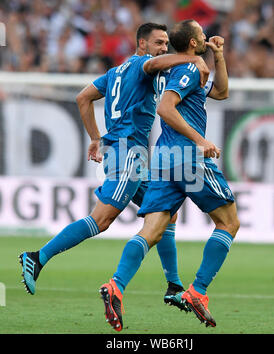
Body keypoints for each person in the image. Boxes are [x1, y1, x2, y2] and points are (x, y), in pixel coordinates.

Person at [18, 23, 210, 311]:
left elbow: (83, 97)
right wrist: (192, 58)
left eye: (167, 42)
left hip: (126, 155)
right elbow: (156, 63)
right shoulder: (142, 64)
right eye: (158, 42)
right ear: (142, 44)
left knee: (166, 213)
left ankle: (174, 286)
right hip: (128, 155)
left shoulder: (114, 72)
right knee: (102, 219)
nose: (163, 48)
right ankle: (37, 257)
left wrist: (96, 138)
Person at [100, 19, 240, 331]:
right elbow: (166, 108)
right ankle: (197, 292)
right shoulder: (189, 68)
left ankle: (115, 286)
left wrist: (218, 55)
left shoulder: (179, 70)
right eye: (202, 36)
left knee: (151, 232)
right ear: (192, 43)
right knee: (229, 222)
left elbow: (222, 92)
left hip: (163, 160)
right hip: (186, 158)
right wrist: (200, 139)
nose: (206, 37)